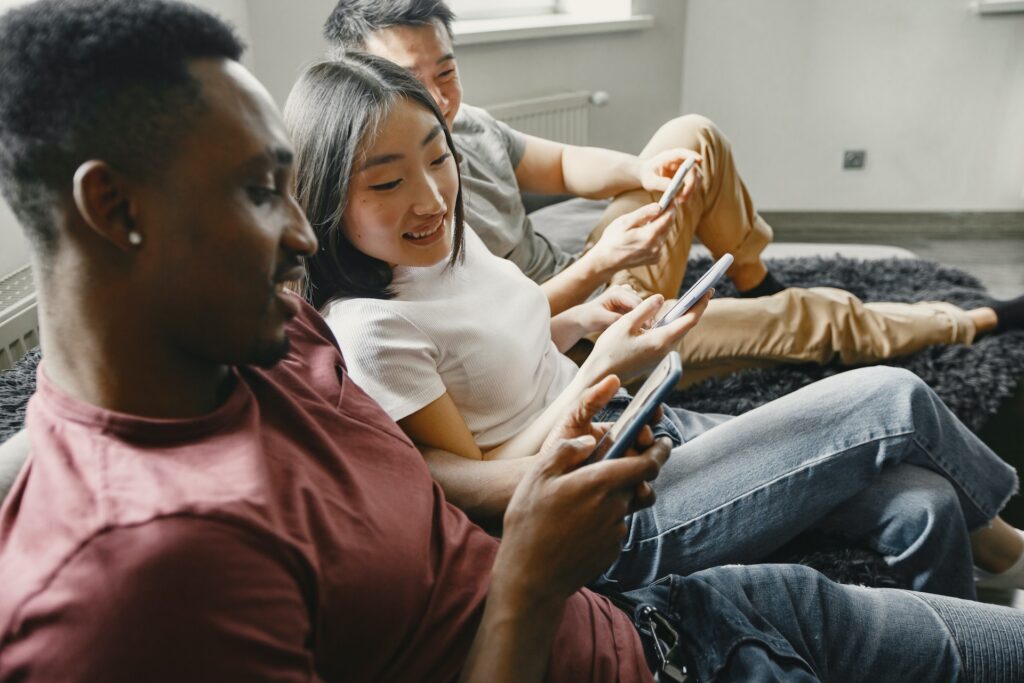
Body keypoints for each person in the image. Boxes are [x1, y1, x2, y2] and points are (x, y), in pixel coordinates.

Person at [3, 2, 1024, 681]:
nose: (302, 235)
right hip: (664, 642)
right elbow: (465, 475)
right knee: (882, 404)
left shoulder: (267, 342)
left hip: (698, 613)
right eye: (261, 191)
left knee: (923, 503)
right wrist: (533, 575)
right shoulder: (132, 582)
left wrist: (587, 338)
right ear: (115, 209)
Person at [285, 51, 1024, 599]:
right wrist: (604, 361)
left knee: (922, 504)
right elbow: (478, 485)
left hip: (628, 417)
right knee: (890, 399)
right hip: (599, 503)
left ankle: (960, 631)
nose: (429, 197)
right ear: (325, 196)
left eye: (436, 158)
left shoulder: (447, 234)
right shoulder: (370, 328)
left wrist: (576, 318)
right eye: (386, 181)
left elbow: (491, 342)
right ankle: (1010, 548)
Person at [322, 0, 1024, 381]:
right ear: (365, 86)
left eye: (447, 71)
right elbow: (486, 329)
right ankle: (967, 320)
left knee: (690, 136)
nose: (440, 99)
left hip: (587, 282)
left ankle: (751, 271)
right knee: (809, 316)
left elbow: (562, 166)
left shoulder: (463, 126)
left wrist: (643, 174)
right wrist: (598, 270)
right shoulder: (390, 207)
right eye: (416, 80)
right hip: (562, 339)